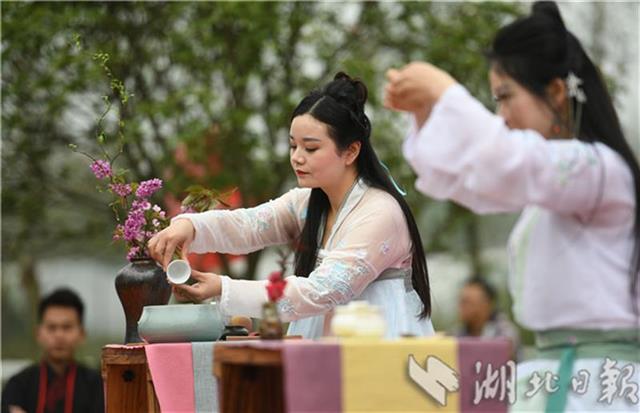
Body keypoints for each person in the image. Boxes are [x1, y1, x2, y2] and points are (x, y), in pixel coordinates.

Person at [384, 1, 639, 411]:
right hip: (562, 374)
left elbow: (505, 160)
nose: (500, 116)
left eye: (506, 97)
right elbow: (473, 183)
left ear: (556, 92)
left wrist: (445, 93)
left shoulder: (600, 170)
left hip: (600, 385)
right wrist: (429, 113)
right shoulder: (555, 188)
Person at [148, 72, 435, 339]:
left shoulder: (380, 212)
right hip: (328, 341)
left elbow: (323, 291)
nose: (297, 157)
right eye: (293, 146)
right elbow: (249, 226)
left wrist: (225, 289)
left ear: (351, 151)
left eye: (310, 148)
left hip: (383, 342)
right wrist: (189, 227)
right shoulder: (310, 202)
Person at [2, 288, 104, 413]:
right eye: (51, 327)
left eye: (67, 327)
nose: (59, 335)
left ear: (82, 334)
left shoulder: (97, 386)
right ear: (38, 334)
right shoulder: (19, 384)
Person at [454, 277, 520, 356]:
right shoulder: (457, 333)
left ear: (486, 304)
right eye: (460, 302)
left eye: (466, 302)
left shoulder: (505, 332)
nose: (461, 307)